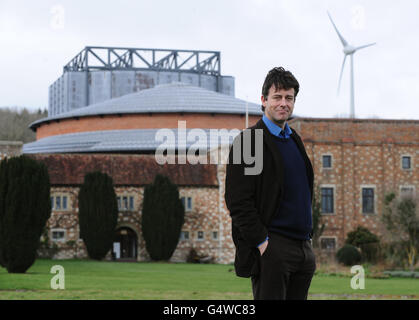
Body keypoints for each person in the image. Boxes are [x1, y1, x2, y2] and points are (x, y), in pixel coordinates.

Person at [225, 67, 316, 300]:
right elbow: (238, 201)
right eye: (277, 97)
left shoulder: (294, 139)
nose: (283, 103)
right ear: (264, 100)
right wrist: (263, 243)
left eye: (289, 98)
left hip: (303, 249)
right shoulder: (249, 141)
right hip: (274, 249)